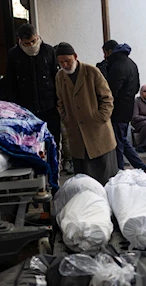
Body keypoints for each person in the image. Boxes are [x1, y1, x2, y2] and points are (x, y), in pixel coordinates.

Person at [55, 42, 118, 185]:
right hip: (76, 134)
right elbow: (60, 102)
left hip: (98, 133)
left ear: (75, 57)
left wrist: (100, 117)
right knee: (85, 182)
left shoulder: (92, 72)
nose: (65, 65)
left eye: (67, 61)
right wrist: (66, 119)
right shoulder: (60, 77)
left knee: (105, 179)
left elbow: (107, 98)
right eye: (61, 62)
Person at [6, 24, 61, 149]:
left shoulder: (49, 51)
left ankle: (55, 164)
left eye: (33, 41)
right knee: (30, 142)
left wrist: (58, 102)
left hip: (49, 106)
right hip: (25, 108)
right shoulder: (14, 54)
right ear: (19, 40)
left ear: (37, 36)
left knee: (52, 140)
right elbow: (11, 82)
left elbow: (56, 77)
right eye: (27, 43)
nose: (31, 45)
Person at [103, 40, 146, 173]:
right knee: (122, 139)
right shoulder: (131, 64)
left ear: (110, 52)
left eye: (105, 53)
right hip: (128, 108)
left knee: (117, 143)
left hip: (117, 109)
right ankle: (142, 167)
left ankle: (119, 172)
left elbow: (111, 91)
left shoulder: (116, 66)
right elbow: (136, 87)